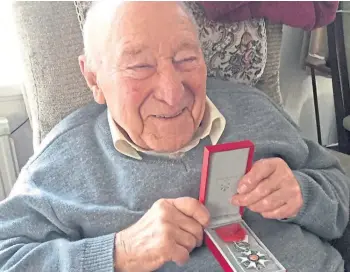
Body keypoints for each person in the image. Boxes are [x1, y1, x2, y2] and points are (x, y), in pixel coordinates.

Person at [0, 1, 349, 272]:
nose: (171, 91)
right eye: (139, 66)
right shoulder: (65, 158)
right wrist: (121, 252)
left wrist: (304, 194)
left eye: (185, 58)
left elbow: (338, 187)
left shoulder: (253, 106)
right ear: (93, 77)